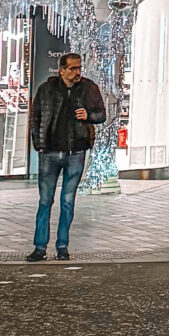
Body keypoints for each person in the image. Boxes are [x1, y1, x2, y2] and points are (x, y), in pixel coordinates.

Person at [28, 50, 106, 262]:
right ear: (62, 70)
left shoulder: (89, 89)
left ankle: (62, 246)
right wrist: (39, 145)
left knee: (68, 201)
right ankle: (40, 247)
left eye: (79, 68)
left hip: (76, 151)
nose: (77, 72)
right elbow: (35, 118)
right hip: (50, 152)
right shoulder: (47, 89)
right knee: (45, 201)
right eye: (72, 68)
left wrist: (88, 115)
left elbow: (101, 114)